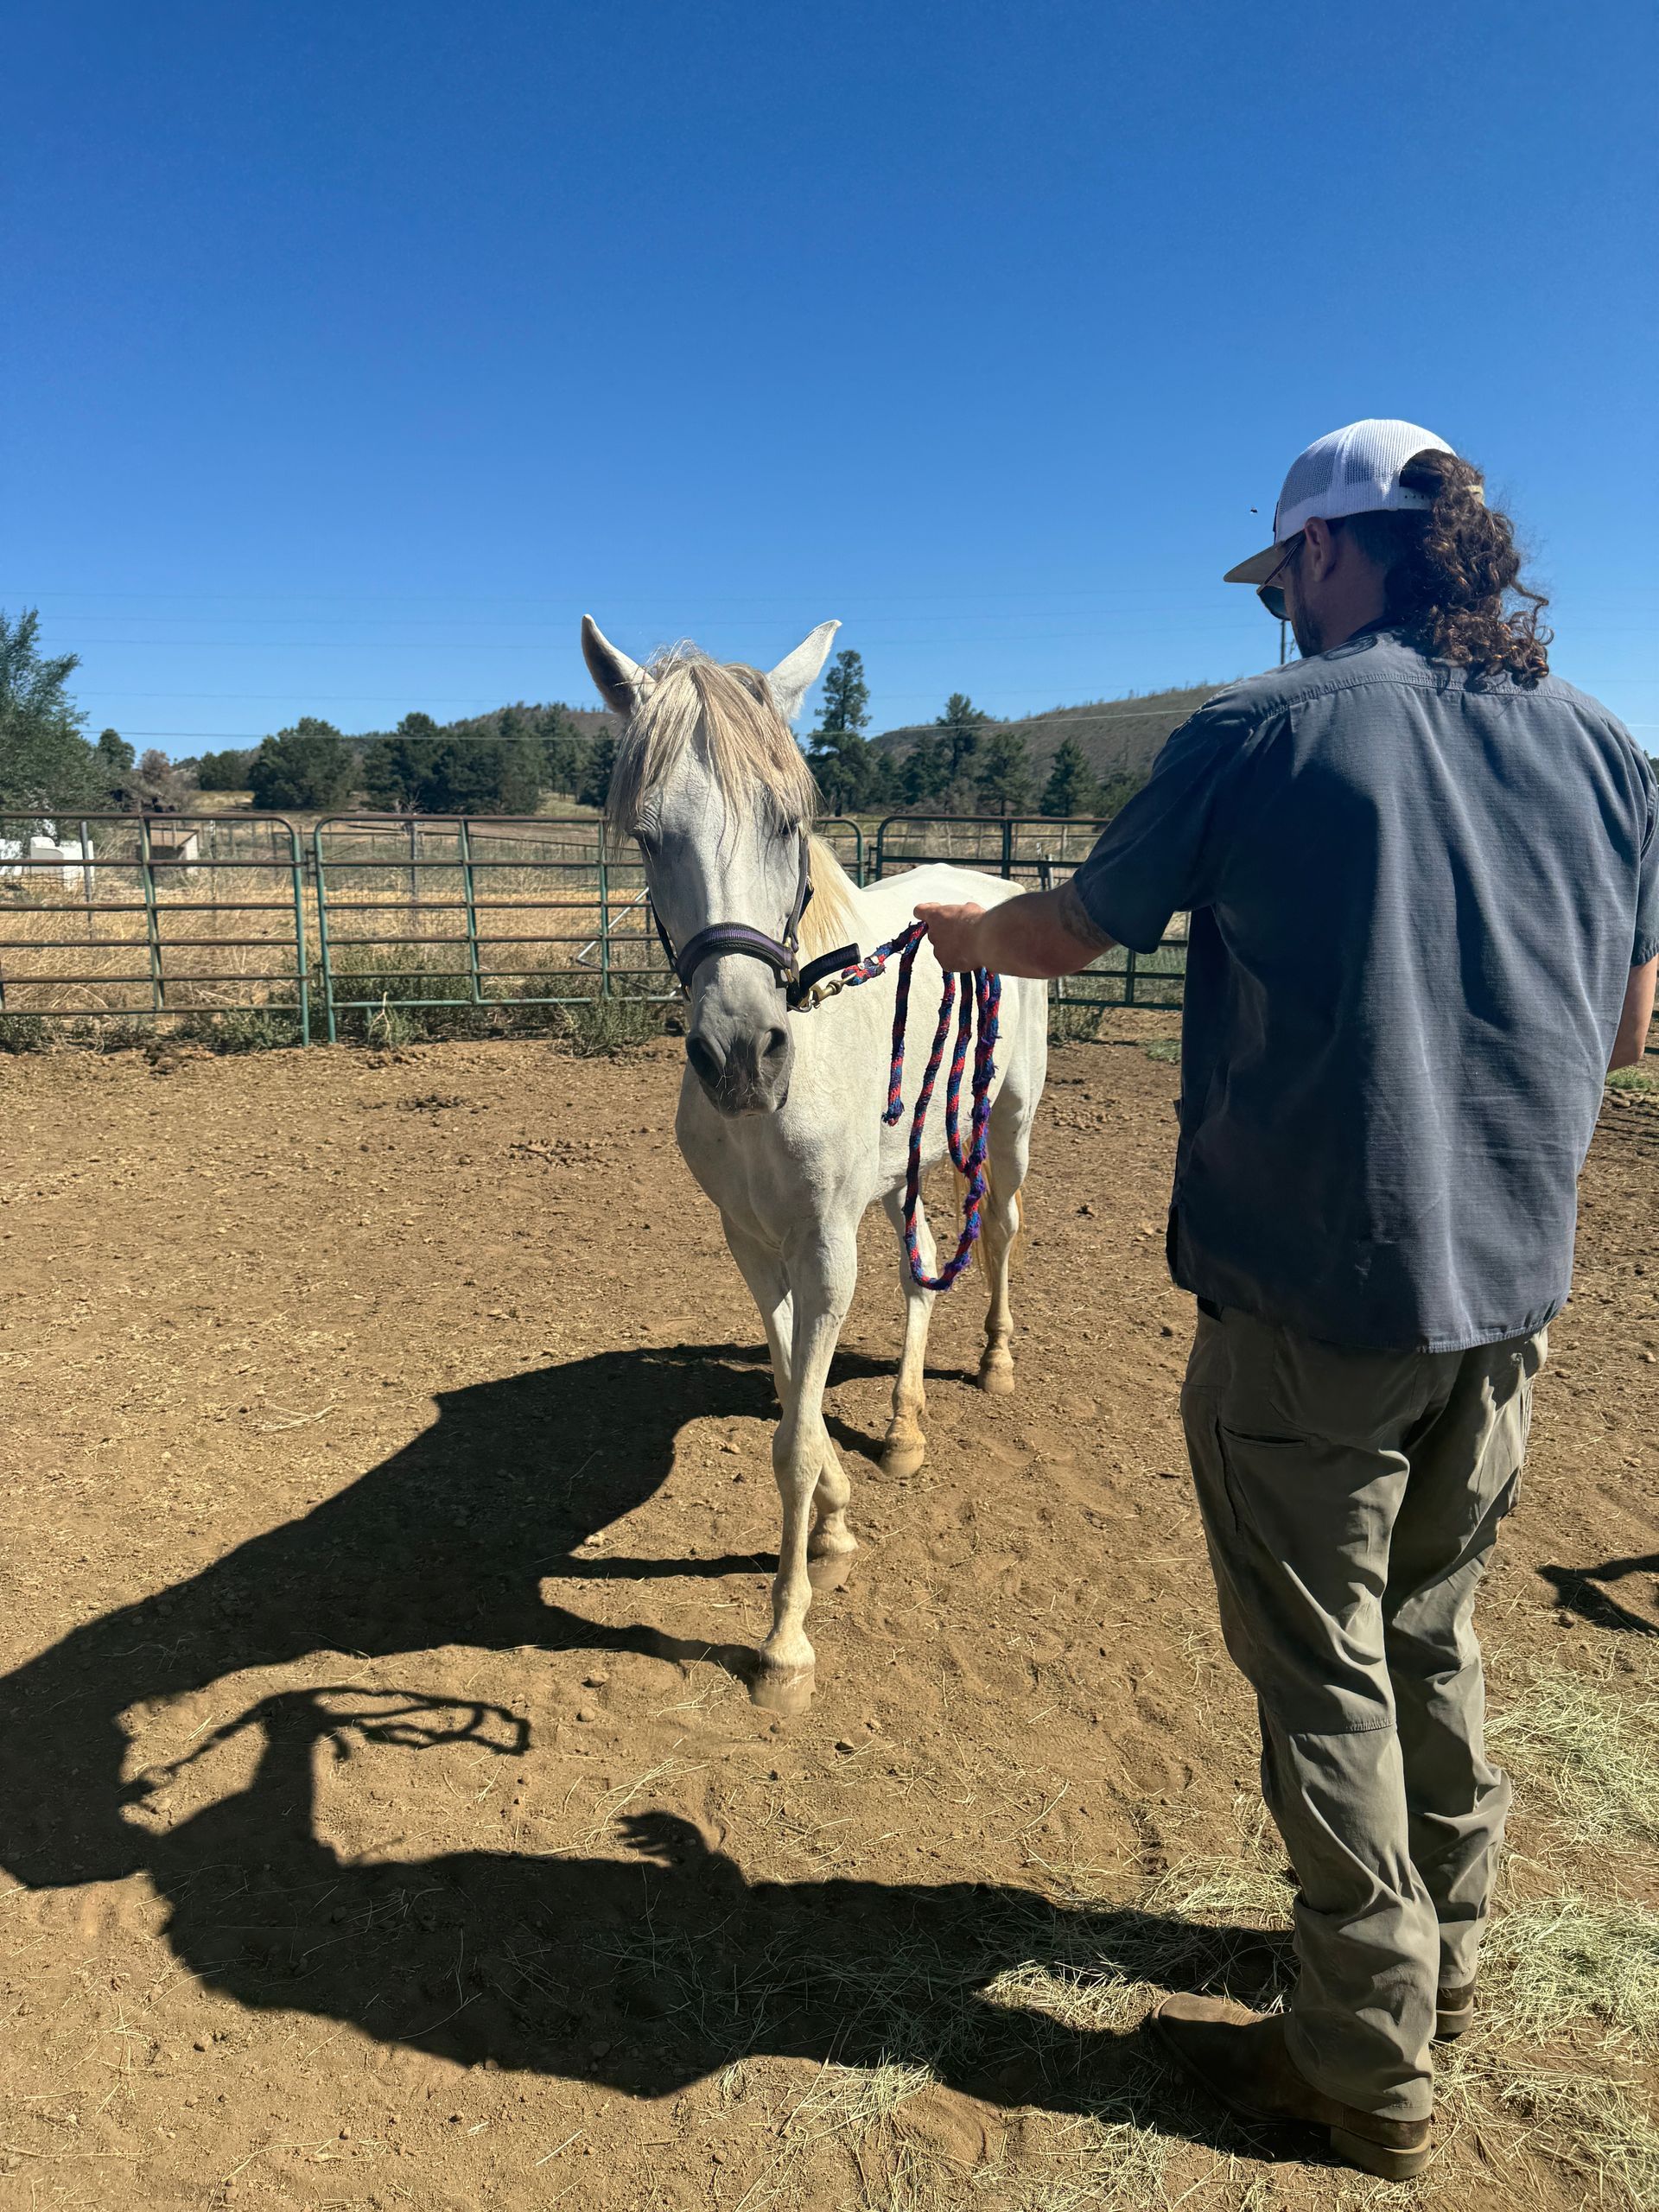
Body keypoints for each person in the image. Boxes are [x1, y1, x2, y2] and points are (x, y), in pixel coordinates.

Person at [913, 419, 1659, 2181]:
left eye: (1284, 581)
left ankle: (1358, 2057)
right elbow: (1630, 1030)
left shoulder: (1262, 734)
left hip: (1316, 1295)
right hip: (1509, 1296)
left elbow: (1075, 930)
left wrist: (952, 926)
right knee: (1435, 1630)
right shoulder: (1608, 749)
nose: (1279, 616)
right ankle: (1444, 1967)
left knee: (1321, 1665)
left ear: (1333, 555)